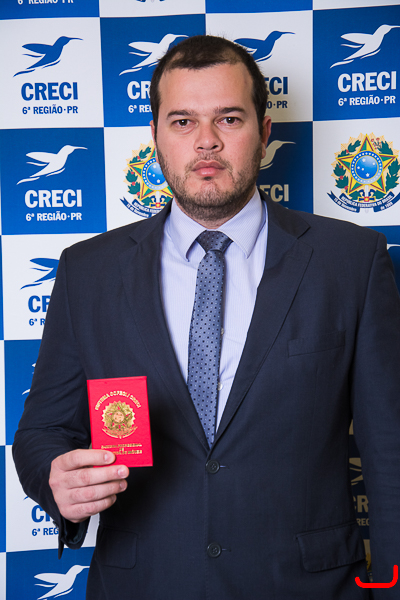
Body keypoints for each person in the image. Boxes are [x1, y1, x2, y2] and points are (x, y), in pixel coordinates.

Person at [13, 35, 400, 600]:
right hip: (144, 585)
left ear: (264, 132)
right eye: (183, 122)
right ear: (155, 136)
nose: (206, 141)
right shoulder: (87, 270)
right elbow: (44, 431)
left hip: (306, 586)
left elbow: (389, 447)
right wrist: (57, 479)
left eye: (229, 118)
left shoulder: (352, 260)